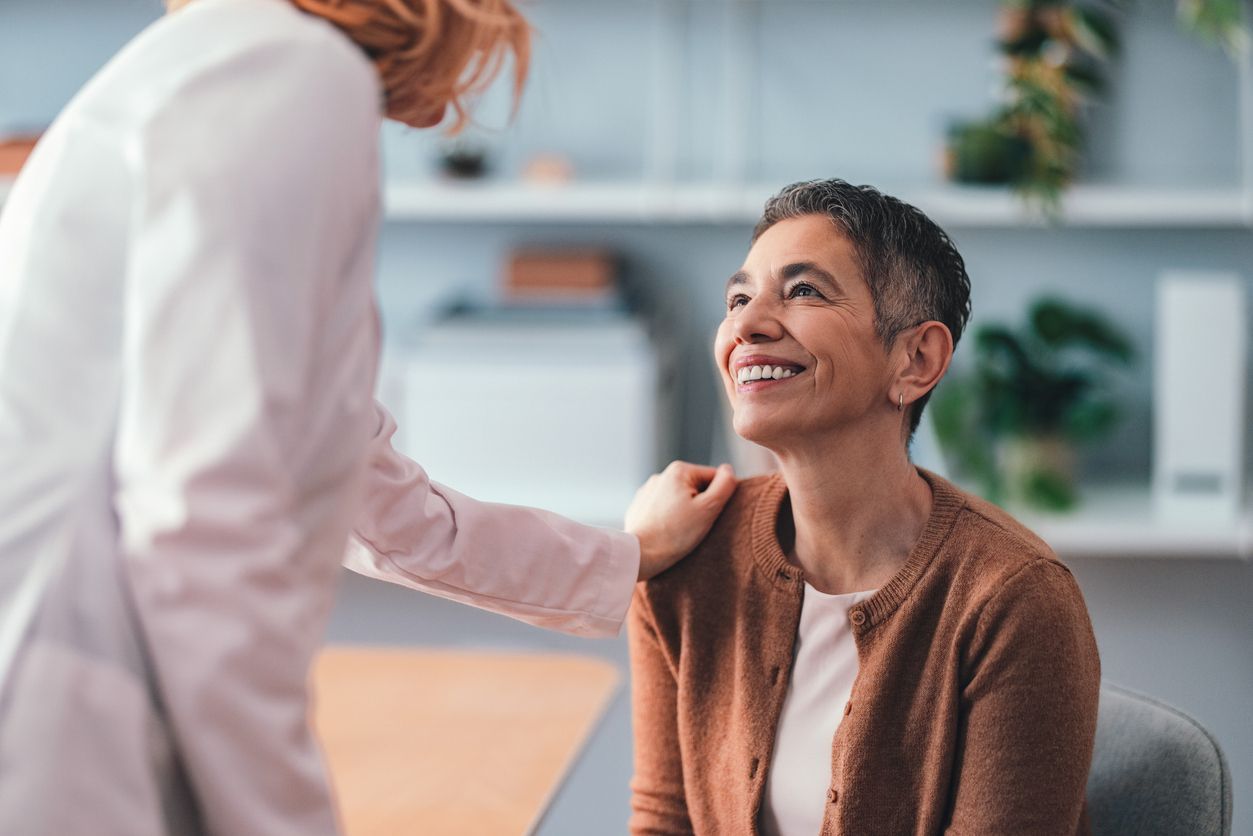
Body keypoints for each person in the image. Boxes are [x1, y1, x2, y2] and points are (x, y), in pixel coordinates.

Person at [0, 0, 737, 832]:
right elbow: (206, 522)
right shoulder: (291, 74)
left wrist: (623, 556)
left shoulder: (212, 69)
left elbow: (380, 505)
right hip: (75, 701)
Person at [628, 179, 1101, 835]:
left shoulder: (1013, 598)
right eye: (737, 298)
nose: (745, 325)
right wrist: (635, 561)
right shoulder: (683, 552)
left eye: (802, 291)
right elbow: (663, 820)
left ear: (915, 359)